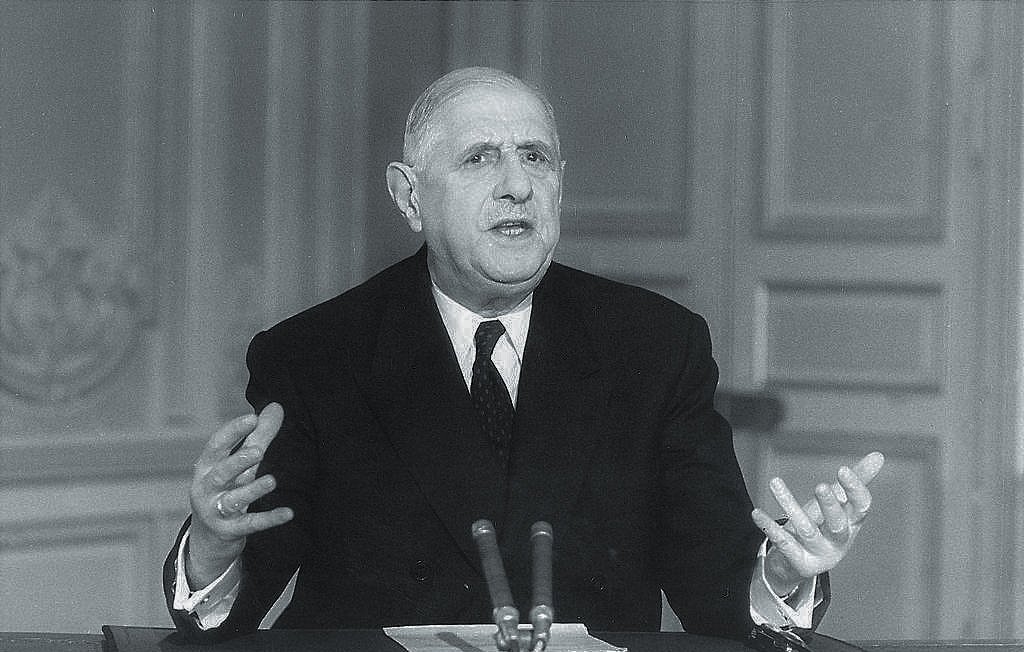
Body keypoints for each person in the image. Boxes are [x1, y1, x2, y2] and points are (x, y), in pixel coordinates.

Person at [163, 67, 884, 643]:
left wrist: (781, 577)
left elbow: (717, 594)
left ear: (560, 182)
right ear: (409, 196)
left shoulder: (655, 346)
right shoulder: (315, 354)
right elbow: (226, 608)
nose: (517, 184)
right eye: (480, 158)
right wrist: (212, 548)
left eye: (534, 156)